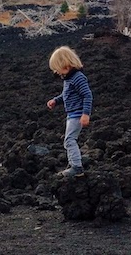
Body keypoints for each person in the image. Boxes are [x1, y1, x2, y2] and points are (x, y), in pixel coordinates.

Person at [46, 46, 93, 177]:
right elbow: (66, 95)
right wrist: (56, 100)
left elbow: (87, 95)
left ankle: (77, 167)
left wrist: (85, 114)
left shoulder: (78, 78)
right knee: (69, 140)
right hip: (72, 114)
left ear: (65, 65)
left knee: (69, 140)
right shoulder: (69, 79)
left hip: (77, 114)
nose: (56, 72)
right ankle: (73, 162)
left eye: (57, 69)